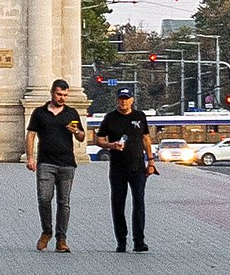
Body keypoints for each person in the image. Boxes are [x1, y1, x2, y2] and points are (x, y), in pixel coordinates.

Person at [26, 79, 86, 253]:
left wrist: (76, 132)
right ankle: (46, 231)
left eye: (65, 95)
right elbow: (31, 135)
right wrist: (30, 157)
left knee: (64, 202)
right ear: (52, 92)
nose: (62, 98)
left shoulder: (72, 113)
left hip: (67, 164)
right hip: (45, 162)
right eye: (59, 94)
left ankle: (61, 238)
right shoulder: (39, 113)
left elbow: (82, 137)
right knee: (44, 199)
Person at [95, 87, 156, 252]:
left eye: (126, 98)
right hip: (117, 169)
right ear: (117, 100)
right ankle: (121, 241)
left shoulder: (139, 116)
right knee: (118, 205)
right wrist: (111, 145)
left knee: (139, 203)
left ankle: (139, 241)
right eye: (121, 98)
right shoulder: (110, 118)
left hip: (137, 168)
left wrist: (151, 162)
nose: (123, 101)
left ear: (132, 100)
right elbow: (99, 140)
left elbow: (146, 139)